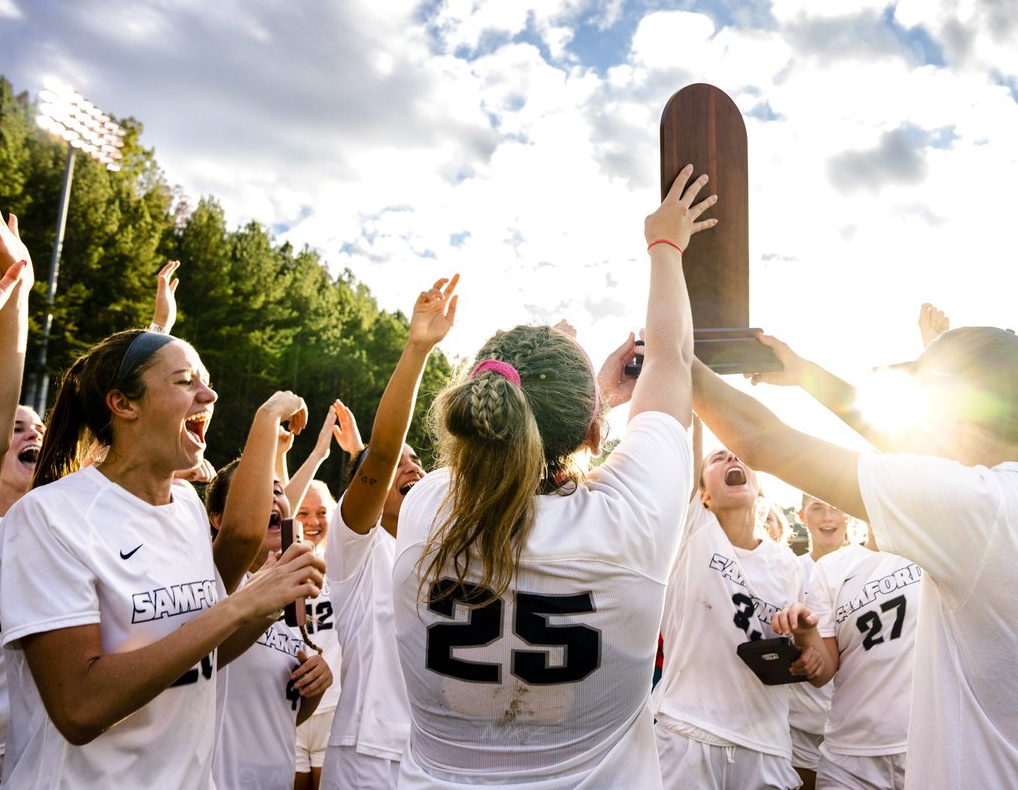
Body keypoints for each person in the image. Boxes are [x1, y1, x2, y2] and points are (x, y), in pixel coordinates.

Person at [694, 325, 1018, 789]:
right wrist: (808, 376)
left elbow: (763, 440)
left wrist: (677, 357)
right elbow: (922, 455)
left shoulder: (985, 510)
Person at [392, 165, 715, 787]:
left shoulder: (426, 505)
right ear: (591, 430)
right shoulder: (629, 521)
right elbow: (673, 358)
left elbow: (505, 466)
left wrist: (589, 398)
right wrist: (666, 248)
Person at [0, 325, 325, 788]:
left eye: (205, 380)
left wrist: (266, 606)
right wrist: (240, 606)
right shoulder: (50, 515)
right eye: (186, 381)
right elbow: (80, 707)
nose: (208, 394)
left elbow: (197, 656)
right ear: (123, 404)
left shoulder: (187, 504)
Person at [323, 276, 458, 788]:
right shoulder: (358, 549)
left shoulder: (450, 551)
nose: (411, 467)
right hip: (368, 759)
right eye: (398, 466)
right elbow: (379, 452)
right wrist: (417, 349)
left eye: (419, 460)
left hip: (442, 760)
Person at [652, 432, 807, 789]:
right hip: (688, 730)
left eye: (739, 456)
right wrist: (694, 380)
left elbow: (798, 647)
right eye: (718, 458)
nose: (732, 460)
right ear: (703, 494)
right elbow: (683, 447)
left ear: (761, 489)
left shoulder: (786, 563)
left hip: (764, 740)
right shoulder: (692, 532)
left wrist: (800, 634)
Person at [205, 461, 333, 790]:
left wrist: (315, 688)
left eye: (277, 490)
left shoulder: (294, 597)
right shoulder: (214, 585)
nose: (272, 497)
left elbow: (280, 714)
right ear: (218, 520)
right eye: (257, 493)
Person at [787, 524, 921, 790]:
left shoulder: (930, 550)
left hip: (924, 748)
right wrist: (806, 633)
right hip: (849, 758)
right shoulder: (832, 567)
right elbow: (823, 673)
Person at [0, 181, 34, 789]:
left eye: (39, 426)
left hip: (18, 763)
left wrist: (17, 288)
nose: (31, 433)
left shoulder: (43, 531)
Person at [786, 494, 849, 789]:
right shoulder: (788, 569)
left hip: (851, 725)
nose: (827, 517)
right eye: (817, 508)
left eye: (835, 507)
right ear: (802, 515)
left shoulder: (868, 569)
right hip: (799, 726)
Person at [294, 479, 344, 790]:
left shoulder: (342, 565)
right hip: (291, 711)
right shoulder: (278, 568)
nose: (313, 522)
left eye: (322, 512)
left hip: (334, 707)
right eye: (304, 513)